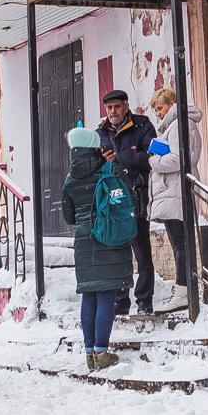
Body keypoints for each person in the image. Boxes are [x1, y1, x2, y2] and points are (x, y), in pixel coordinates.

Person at [62, 124, 132, 372]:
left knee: (89, 295)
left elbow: (68, 217)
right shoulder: (107, 170)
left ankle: (90, 352)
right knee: (106, 295)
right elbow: (125, 199)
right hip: (107, 237)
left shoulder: (70, 179)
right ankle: (102, 353)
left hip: (83, 241)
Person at [95, 89, 157, 315]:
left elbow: (152, 157)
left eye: (117, 107)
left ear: (126, 106)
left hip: (136, 195)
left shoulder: (143, 126)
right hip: (112, 200)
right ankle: (120, 301)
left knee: (142, 252)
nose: (113, 112)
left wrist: (121, 157)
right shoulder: (100, 131)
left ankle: (144, 300)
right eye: (109, 108)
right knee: (118, 252)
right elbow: (94, 162)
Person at [146, 87, 204, 313]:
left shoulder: (179, 125)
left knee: (180, 245)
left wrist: (154, 161)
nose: (158, 113)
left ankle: (183, 290)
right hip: (173, 193)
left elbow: (178, 158)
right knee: (180, 244)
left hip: (176, 193)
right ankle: (184, 289)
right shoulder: (176, 125)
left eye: (159, 108)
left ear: (170, 104)